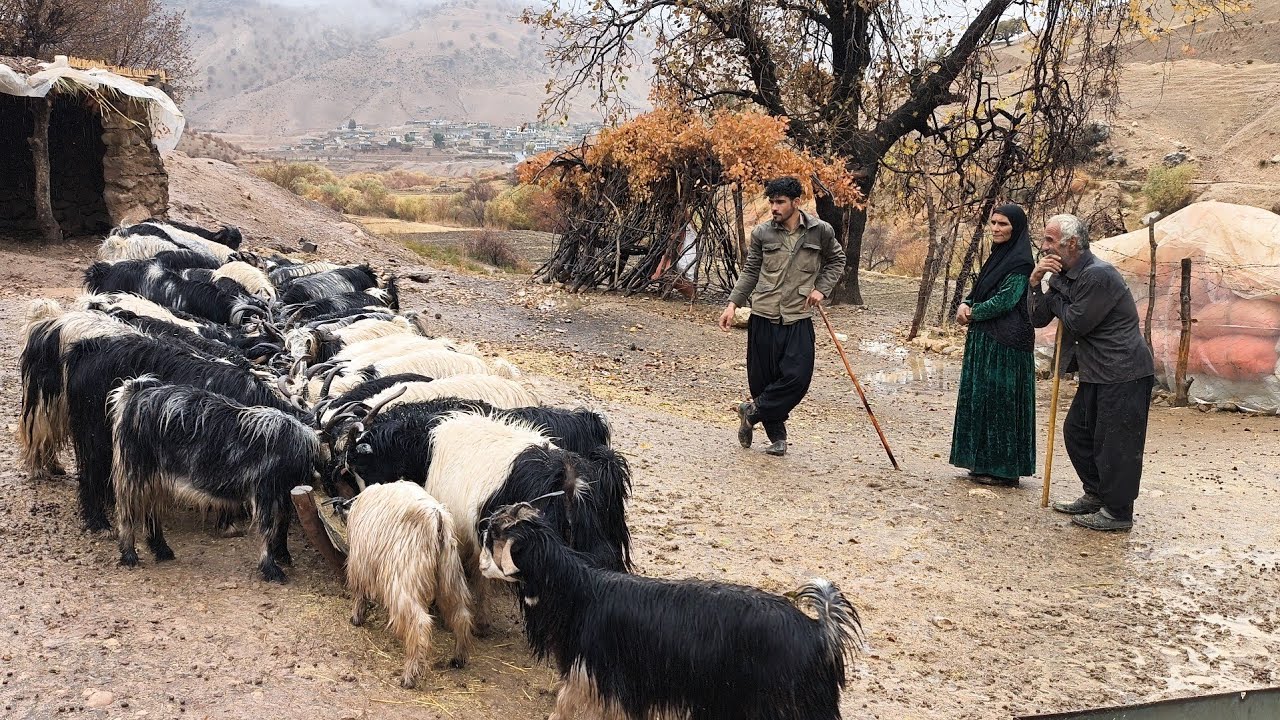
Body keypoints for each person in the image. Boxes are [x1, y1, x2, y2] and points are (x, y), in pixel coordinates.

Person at [1030, 214, 1156, 532]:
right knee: (1078, 432)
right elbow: (1038, 319)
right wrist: (1035, 283)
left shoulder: (1097, 275)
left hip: (1124, 370)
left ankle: (1118, 512)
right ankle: (1096, 494)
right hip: (1097, 371)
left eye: (1050, 241)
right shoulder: (1067, 275)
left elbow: (1076, 321)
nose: (1044, 247)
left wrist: (1055, 294)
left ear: (1071, 244)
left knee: (1116, 443)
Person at [717, 177, 846, 456]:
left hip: (798, 316)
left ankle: (751, 412)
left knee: (797, 378)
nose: (774, 207)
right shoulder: (763, 233)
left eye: (780, 202)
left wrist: (821, 289)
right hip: (763, 313)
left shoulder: (820, 231)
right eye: (771, 201)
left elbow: (837, 260)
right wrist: (732, 304)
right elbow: (751, 271)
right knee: (763, 380)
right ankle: (778, 437)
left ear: (795, 203)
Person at [950, 203, 1037, 487]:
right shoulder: (998, 257)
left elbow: (1006, 300)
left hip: (1007, 344)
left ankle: (1004, 469)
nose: (996, 229)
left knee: (1001, 402)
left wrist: (973, 313)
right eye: (994, 223)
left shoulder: (1021, 263)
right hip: (986, 340)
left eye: (1003, 225)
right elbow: (980, 291)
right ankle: (982, 462)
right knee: (984, 401)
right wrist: (965, 303)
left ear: (1016, 229)